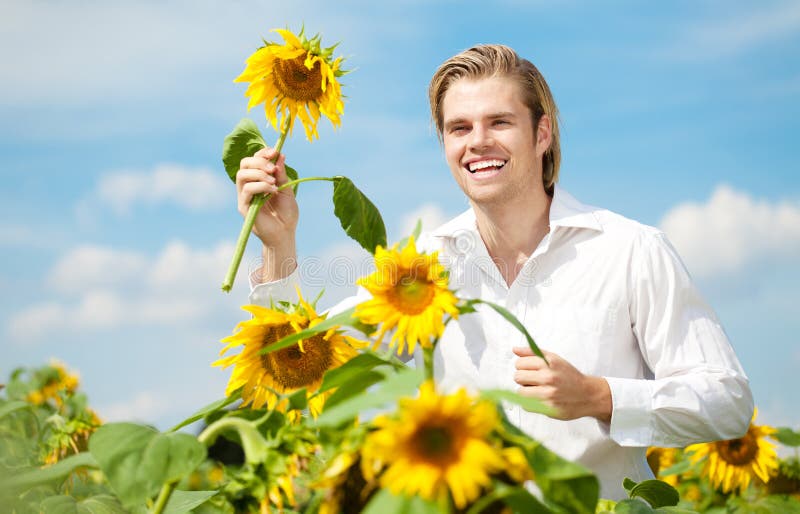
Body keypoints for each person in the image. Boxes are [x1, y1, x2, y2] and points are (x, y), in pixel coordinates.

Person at [234, 44, 754, 499]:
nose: (477, 141)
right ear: (445, 145)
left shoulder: (631, 250)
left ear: (542, 133)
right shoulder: (422, 269)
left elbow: (726, 400)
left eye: (499, 122)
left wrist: (599, 397)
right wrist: (279, 245)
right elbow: (304, 372)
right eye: (459, 128)